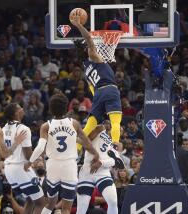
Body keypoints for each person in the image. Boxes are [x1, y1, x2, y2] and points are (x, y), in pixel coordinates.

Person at [24, 93, 101, 214]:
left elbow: (39, 148)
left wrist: (29, 161)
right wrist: (95, 154)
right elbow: (86, 142)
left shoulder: (46, 126)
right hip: (69, 166)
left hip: (53, 165)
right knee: (66, 208)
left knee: (50, 203)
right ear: (66, 108)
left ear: (50, 109)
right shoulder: (74, 123)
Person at [70, 9, 122, 146]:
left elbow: (92, 90)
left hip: (98, 93)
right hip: (109, 89)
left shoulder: (86, 68)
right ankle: (115, 144)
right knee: (115, 121)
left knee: (91, 123)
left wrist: (99, 99)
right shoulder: (94, 57)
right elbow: (89, 39)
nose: (89, 47)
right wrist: (79, 25)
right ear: (86, 50)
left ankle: (77, 147)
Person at [2, 103, 46, 213]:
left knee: (30, 199)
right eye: (20, 108)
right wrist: (40, 153)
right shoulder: (24, 129)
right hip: (20, 168)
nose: (22, 109)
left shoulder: (3, 128)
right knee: (41, 202)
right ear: (16, 113)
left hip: (8, 169)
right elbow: (28, 156)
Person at [77, 125, 125, 214]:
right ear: (112, 128)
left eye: (120, 131)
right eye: (118, 129)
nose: (118, 132)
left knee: (113, 201)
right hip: (87, 171)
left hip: (103, 173)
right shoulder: (101, 130)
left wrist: (101, 162)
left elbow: (115, 161)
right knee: (81, 208)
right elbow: (86, 139)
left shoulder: (115, 147)